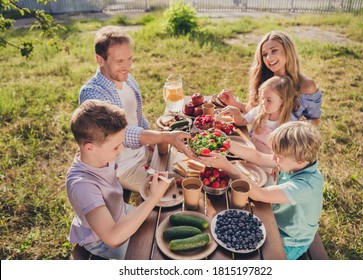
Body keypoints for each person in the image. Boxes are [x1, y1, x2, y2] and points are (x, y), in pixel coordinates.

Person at [79, 25, 194, 192]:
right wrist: (163, 137)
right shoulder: (92, 94)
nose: (127, 66)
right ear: (100, 59)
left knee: (187, 176)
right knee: (170, 192)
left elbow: (137, 117)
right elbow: (119, 135)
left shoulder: (128, 79)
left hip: (142, 152)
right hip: (121, 167)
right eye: (119, 61)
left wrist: (151, 137)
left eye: (129, 59)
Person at [200, 121, 324, 260]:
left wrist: (228, 167)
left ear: (301, 160)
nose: (273, 159)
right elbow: (257, 157)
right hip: (273, 221)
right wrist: (226, 142)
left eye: (278, 157)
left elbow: (260, 194)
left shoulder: (306, 186)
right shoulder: (294, 161)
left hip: (290, 240)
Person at [66, 100, 170, 260]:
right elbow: (113, 238)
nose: (121, 149)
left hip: (120, 212)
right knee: (156, 254)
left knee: (165, 224)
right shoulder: (82, 185)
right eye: (116, 147)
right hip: (101, 239)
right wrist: (153, 198)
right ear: (89, 148)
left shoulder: (99, 155)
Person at [218, 30, 322, 126]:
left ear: (288, 50)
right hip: (259, 140)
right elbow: (259, 110)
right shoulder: (266, 80)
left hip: (288, 142)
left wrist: (297, 125)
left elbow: (315, 120)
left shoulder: (306, 86)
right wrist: (234, 103)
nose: (269, 58)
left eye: (274, 51)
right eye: (264, 54)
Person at [218, 76, 298, 154]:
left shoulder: (290, 123)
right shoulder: (259, 110)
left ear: (282, 101)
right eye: (262, 98)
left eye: (269, 100)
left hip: (270, 162)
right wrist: (236, 113)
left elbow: (289, 152)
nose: (263, 103)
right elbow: (241, 122)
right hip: (251, 152)